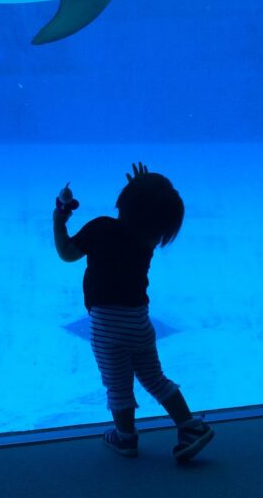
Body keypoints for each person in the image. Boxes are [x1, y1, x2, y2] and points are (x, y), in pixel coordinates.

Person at [53, 162, 214, 463]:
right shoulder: (146, 240)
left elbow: (66, 253)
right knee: (155, 377)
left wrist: (60, 217)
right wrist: (143, 192)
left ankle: (125, 437)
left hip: (106, 326)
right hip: (139, 322)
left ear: (124, 201)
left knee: (117, 385)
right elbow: (148, 217)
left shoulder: (100, 228)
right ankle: (189, 426)